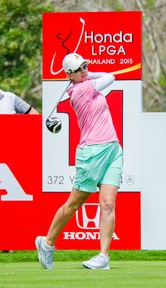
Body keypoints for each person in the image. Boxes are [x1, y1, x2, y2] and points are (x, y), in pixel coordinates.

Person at [35, 53, 123, 270]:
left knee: (108, 204)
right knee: (74, 203)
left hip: (113, 148)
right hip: (91, 152)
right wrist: (86, 77)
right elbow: (111, 77)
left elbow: (106, 77)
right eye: (79, 69)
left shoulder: (83, 83)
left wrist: (85, 74)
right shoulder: (81, 90)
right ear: (69, 75)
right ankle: (47, 243)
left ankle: (103, 257)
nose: (84, 70)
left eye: (85, 66)